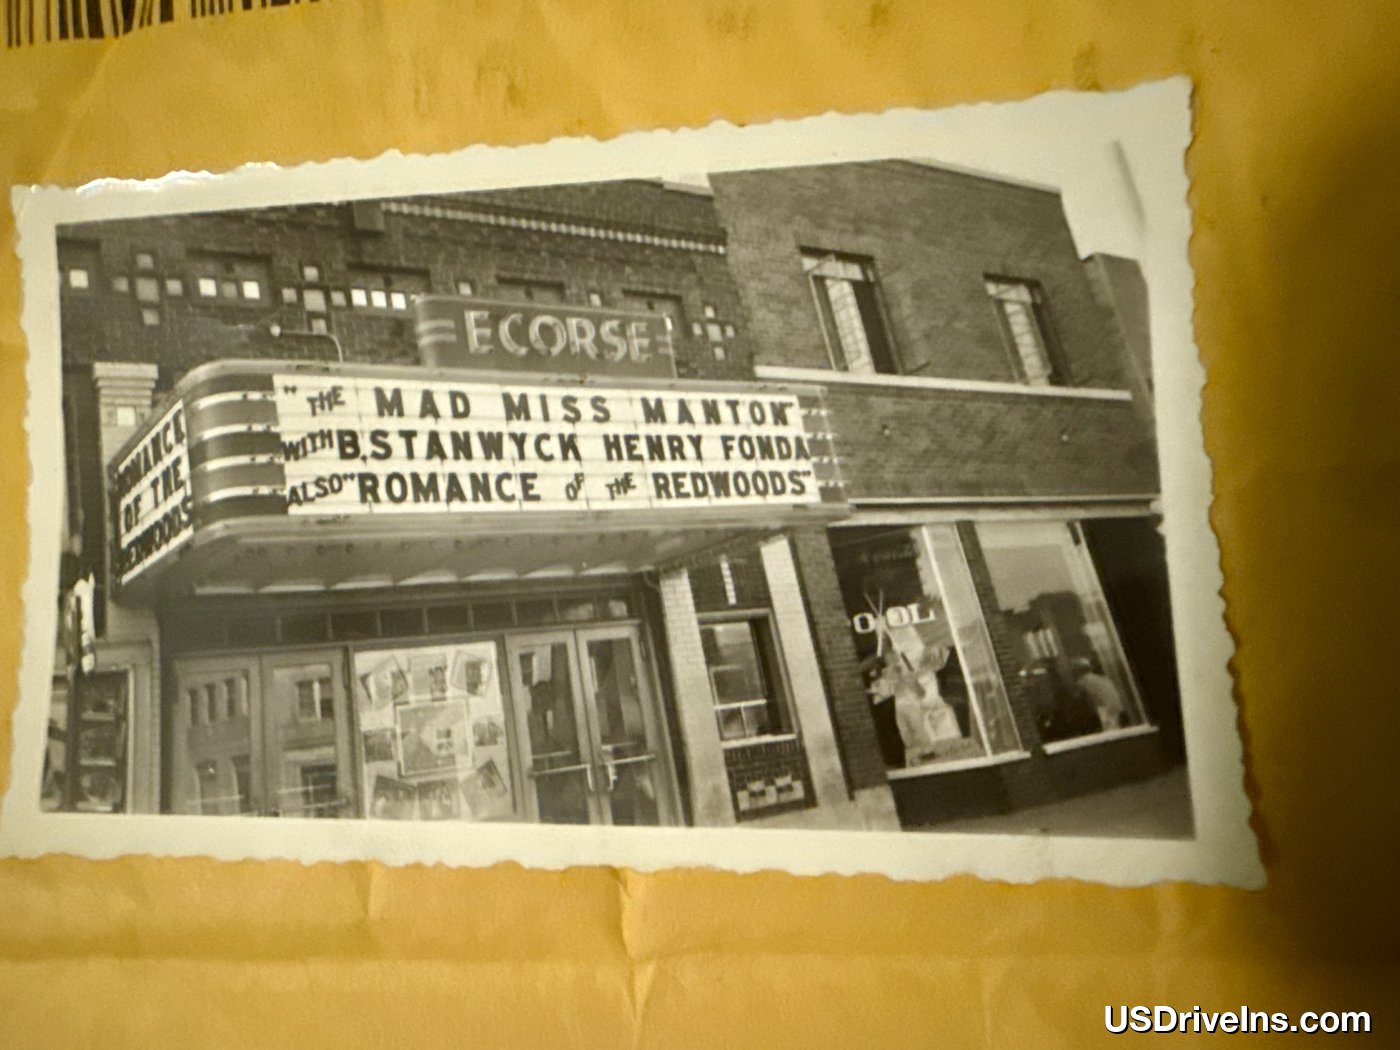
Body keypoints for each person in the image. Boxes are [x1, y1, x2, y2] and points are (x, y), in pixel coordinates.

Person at [1072, 657, 1128, 731]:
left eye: (1074, 670)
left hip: (1104, 709)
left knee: (1110, 732)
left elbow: (1076, 697)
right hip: (1116, 707)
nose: (1073, 673)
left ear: (1079, 671)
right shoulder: (1102, 678)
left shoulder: (1082, 681)